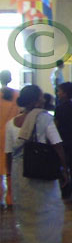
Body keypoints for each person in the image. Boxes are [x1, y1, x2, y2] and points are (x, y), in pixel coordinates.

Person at [5, 85, 69, 243]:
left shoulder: (10, 124)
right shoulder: (45, 120)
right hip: (42, 170)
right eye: (40, 97)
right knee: (49, 209)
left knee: (26, 213)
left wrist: (10, 176)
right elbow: (57, 145)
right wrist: (64, 169)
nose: (43, 100)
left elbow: (9, 153)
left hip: (20, 173)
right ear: (35, 100)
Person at [0, 70, 19, 209]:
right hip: (13, 133)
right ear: (11, 79)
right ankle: (10, 197)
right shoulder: (17, 95)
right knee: (11, 166)